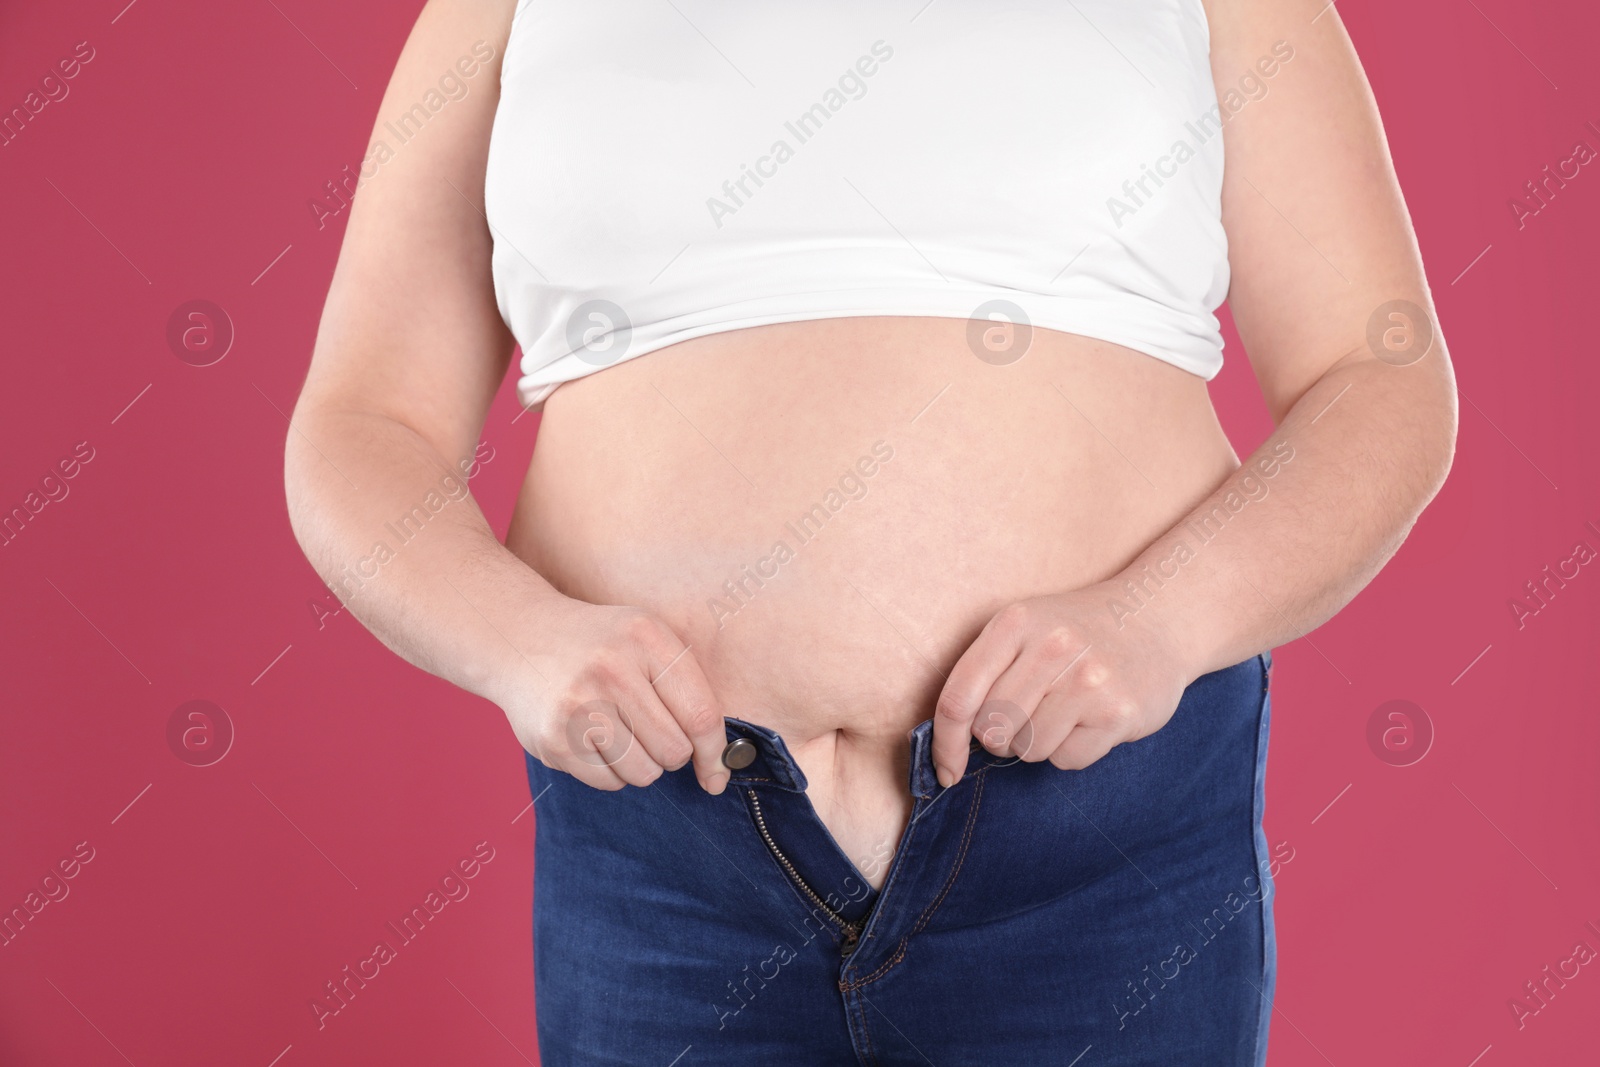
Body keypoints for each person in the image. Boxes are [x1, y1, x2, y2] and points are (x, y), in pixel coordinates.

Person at [284, 0, 1456, 1062]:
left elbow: (1380, 372)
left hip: (1093, 848)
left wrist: (1166, 619)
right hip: (666, 852)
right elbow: (360, 422)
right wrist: (518, 642)